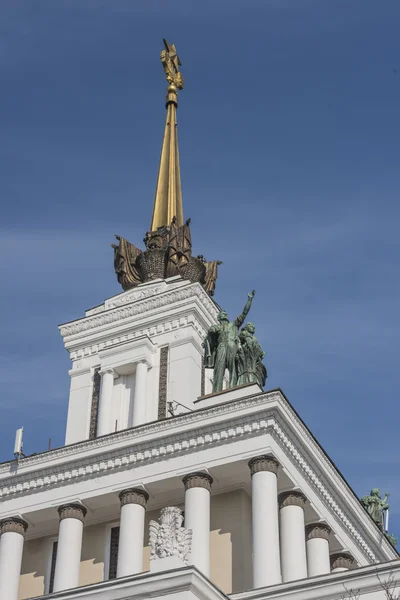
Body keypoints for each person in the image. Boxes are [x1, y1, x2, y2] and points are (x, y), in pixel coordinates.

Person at [204, 291, 255, 393]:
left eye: (226, 313)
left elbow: (244, 313)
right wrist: (211, 332)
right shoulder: (216, 327)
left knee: (233, 370)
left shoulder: (234, 325)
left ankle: (233, 389)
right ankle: (216, 391)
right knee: (219, 369)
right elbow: (209, 336)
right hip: (221, 347)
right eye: (223, 313)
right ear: (219, 318)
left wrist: (249, 300)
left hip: (232, 345)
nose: (225, 314)